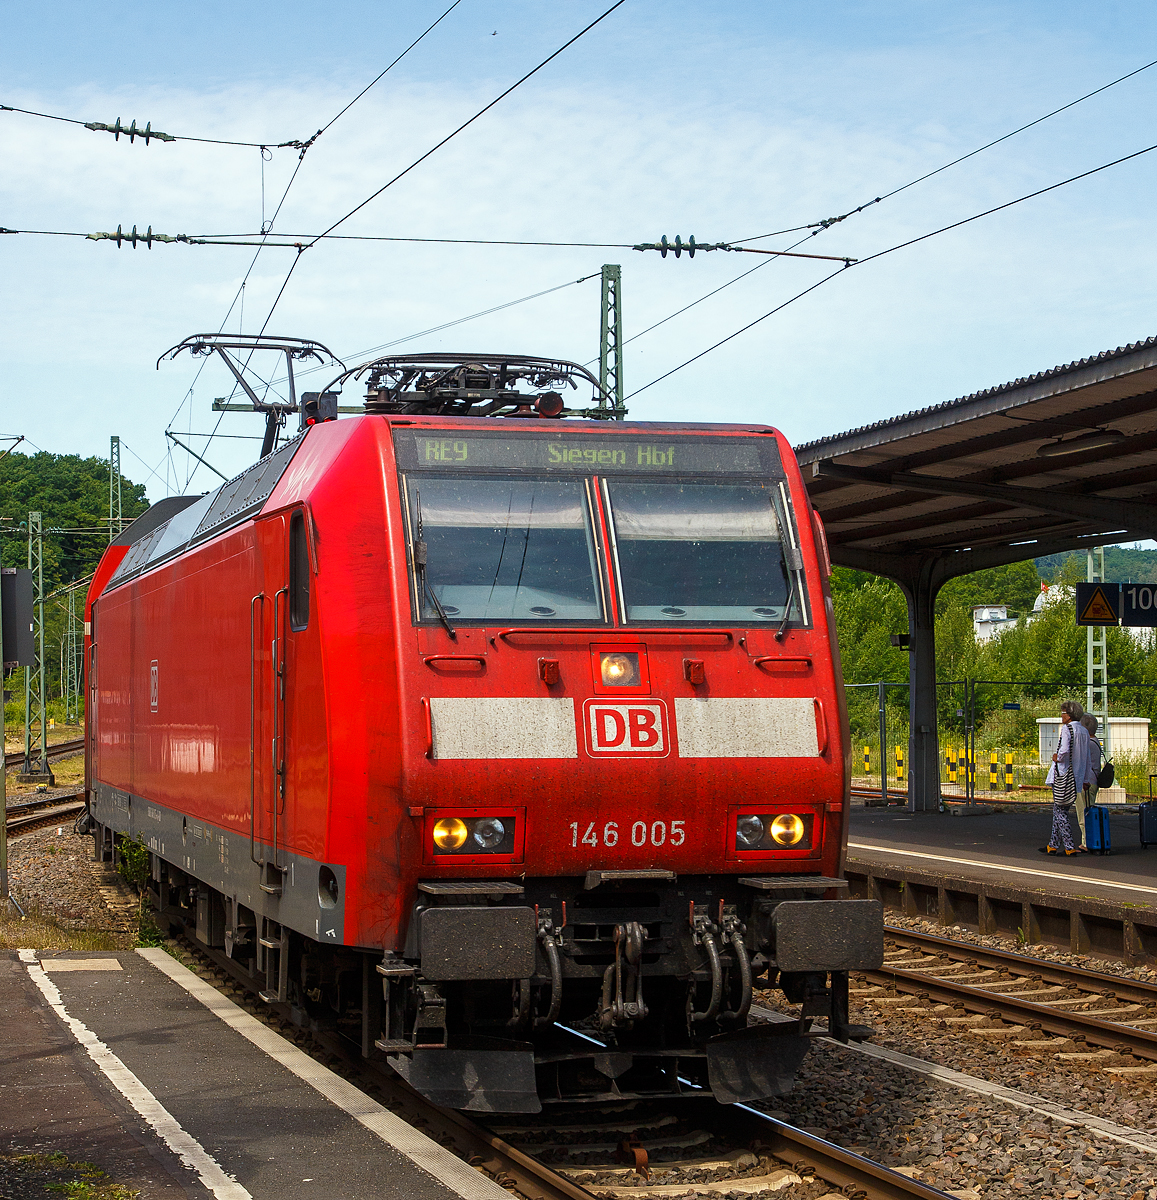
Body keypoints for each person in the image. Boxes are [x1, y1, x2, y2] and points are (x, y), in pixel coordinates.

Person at [1040, 700, 1087, 855]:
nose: (1061, 715)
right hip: (1077, 776)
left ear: (1069, 715)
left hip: (1063, 775)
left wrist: (1057, 757)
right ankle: (1052, 845)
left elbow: (1064, 750)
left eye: (1063, 712)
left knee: (1061, 811)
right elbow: (1085, 756)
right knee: (1059, 810)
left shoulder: (1067, 729)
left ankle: (1069, 846)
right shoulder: (1084, 731)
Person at [1078, 713, 1103, 852]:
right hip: (1094, 781)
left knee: (1084, 812)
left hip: (1086, 782)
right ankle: (1091, 840)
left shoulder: (1086, 743)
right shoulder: (1096, 742)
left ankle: (1087, 842)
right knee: (1089, 809)